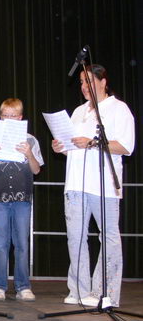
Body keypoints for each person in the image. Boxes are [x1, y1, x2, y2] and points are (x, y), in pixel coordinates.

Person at [52, 64, 134, 308]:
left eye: (88, 81)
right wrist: (62, 147)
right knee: (76, 238)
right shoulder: (78, 112)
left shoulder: (119, 109)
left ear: (103, 81)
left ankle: (105, 291)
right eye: (81, 82)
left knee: (109, 238)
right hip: (76, 183)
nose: (84, 86)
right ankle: (79, 290)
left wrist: (94, 142)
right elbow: (74, 147)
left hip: (105, 185)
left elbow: (126, 146)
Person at [0, 98, 43, 302]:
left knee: (21, 243)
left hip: (22, 199)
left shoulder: (31, 140)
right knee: (0, 244)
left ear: (20, 117)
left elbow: (36, 169)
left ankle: (23, 286)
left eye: (13, 116)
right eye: (5, 116)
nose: (8, 119)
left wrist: (28, 154)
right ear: (0, 117)